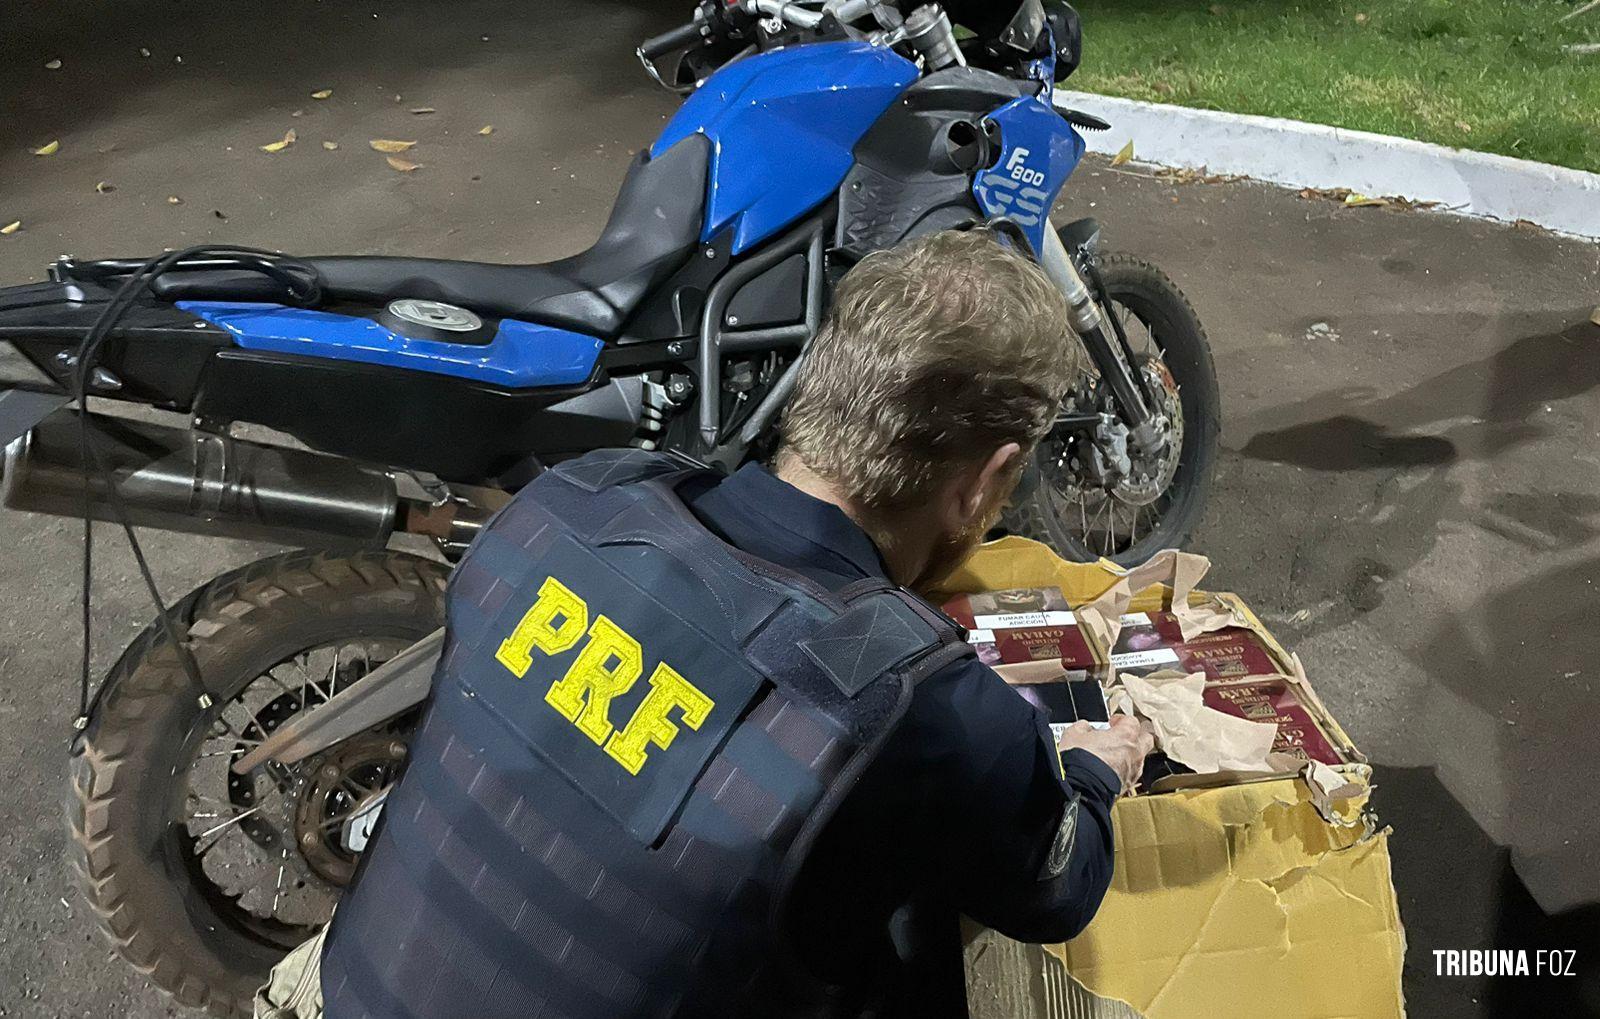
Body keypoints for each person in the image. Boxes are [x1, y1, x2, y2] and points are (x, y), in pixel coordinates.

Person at [273, 229, 1151, 1019]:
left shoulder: (572, 502)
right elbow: (1055, 890)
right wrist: (1094, 773)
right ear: (984, 481)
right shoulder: (925, 711)